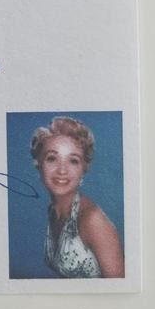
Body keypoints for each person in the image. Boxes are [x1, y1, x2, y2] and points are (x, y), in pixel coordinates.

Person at [30, 116, 124, 278]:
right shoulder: (54, 211)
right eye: (52, 158)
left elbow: (121, 288)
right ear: (39, 164)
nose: (62, 170)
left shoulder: (92, 220)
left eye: (73, 161)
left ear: (83, 169)